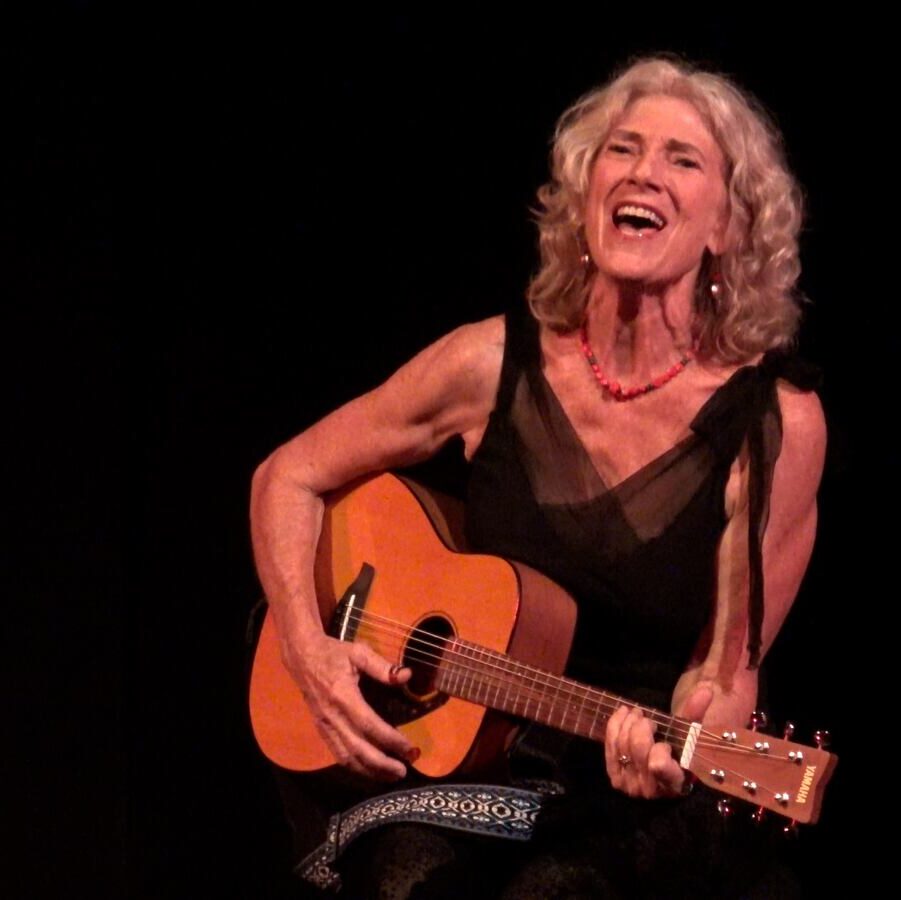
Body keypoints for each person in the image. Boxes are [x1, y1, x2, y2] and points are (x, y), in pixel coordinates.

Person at [250, 56, 824, 898]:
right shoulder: (486, 363)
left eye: (681, 160)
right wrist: (309, 650)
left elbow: (726, 672)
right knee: (415, 878)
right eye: (620, 151)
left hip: (617, 771)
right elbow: (286, 476)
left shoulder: (773, 425)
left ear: (727, 230)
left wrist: (682, 747)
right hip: (455, 759)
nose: (641, 174)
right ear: (585, 195)